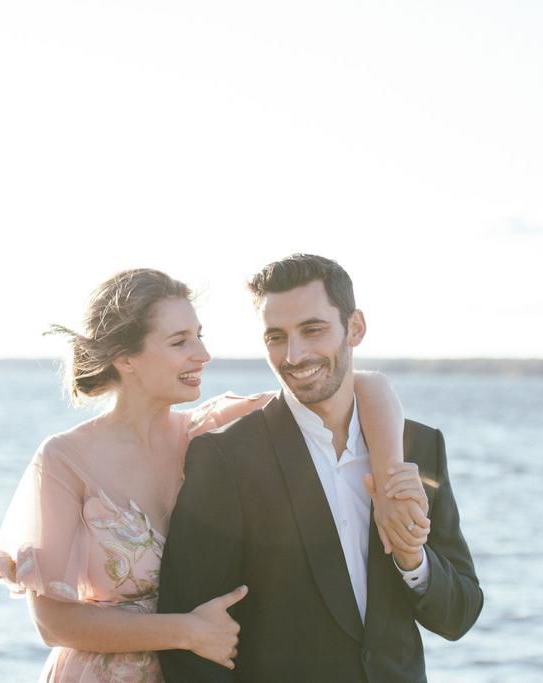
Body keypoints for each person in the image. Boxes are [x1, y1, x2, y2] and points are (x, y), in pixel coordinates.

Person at [0, 268, 424, 682]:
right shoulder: (64, 458)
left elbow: (364, 384)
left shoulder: (207, 432)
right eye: (179, 342)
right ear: (125, 358)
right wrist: (185, 631)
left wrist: (389, 486)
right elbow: (52, 622)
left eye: (200, 336)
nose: (203, 354)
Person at [157, 254, 483, 682]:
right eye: (276, 337)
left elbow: (459, 614)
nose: (294, 355)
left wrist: (412, 558)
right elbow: (188, 642)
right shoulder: (225, 460)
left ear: (356, 328)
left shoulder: (418, 448)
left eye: (313, 330)